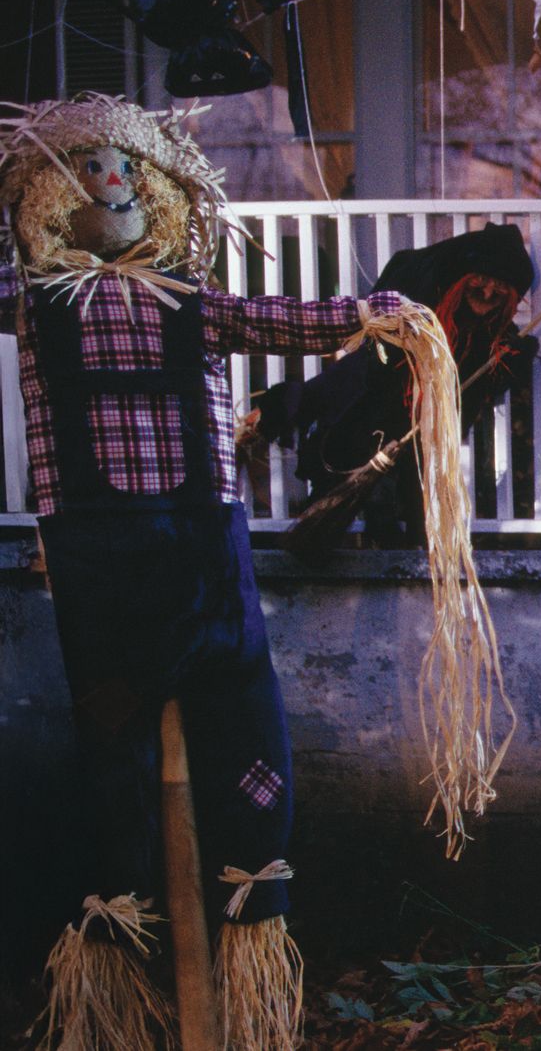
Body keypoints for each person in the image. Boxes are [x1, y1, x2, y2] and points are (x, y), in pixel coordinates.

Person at [0, 93, 423, 1051]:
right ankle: (118, 941)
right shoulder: (34, 305)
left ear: (152, 190)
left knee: (241, 717)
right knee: (111, 747)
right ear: (47, 203)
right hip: (98, 560)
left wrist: (367, 316)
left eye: (122, 171)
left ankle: (245, 939)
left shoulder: (192, 302)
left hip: (200, 547)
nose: (109, 186)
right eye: (88, 173)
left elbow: (288, 322)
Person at [255, 224, 537, 548]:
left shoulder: (495, 332)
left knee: (414, 471)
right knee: (365, 450)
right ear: (462, 279)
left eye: (500, 286)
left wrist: (509, 355)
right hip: (387, 394)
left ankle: (413, 537)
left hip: (429, 424)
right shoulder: (422, 303)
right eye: (482, 280)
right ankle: (365, 531)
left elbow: (486, 378)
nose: (488, 292)